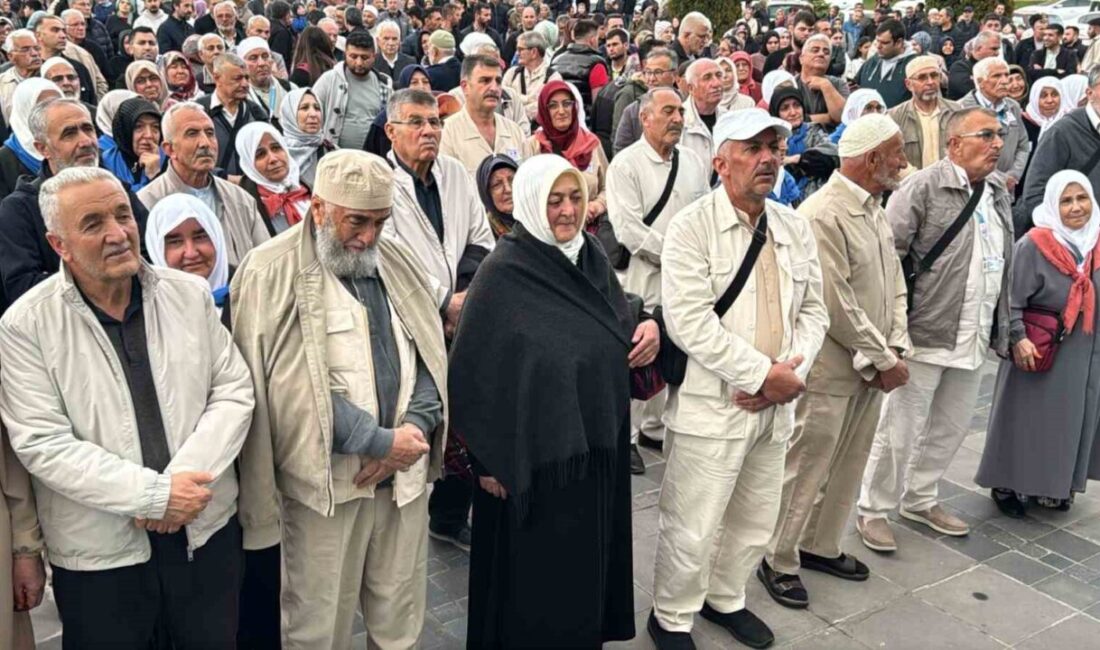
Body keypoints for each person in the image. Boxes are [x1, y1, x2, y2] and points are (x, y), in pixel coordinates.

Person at [0, 166, 254, 647]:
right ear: (60, 245)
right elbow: (42, 442)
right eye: (93, 224)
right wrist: (153, 496)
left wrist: (184, 484)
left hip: (203, 533)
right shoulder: (26, 326)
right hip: (101, 558)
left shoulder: (187, 295)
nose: (118, 233)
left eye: (123, 215)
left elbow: (233, 390)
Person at [232, 149, 447, 649]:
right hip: (325, 489)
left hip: (403, 479)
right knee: (318, 625)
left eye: (379, 222)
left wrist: (411, 429)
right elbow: (279, 389)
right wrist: (374, 441)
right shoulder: (269, 271)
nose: (368, 237)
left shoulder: (394, 259)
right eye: (356, 221)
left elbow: (431, 349)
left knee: (399, 617)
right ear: (320, 208)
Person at [450, 153, 648, 648]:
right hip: (530, 467)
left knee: (582, 580)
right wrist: (485, 461)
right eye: (555, 200)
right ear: (532, 203)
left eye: (576, 198)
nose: (566, 211)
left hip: (593, 451)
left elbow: (614, 323)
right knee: (536, 593)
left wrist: (645, 326)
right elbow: (473, 374)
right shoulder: (503, 272)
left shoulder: (590, 257)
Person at [651, 107, 828, 650]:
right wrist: (759, 374)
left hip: (775, 404)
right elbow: (687, 321)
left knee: (755, 515)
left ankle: (725, 598)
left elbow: (815, 310)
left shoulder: (793, 224)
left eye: (774, 146)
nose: (768, 158)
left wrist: (787, 373)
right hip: (717, 402)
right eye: (753, 149)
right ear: (721, 162)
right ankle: (672, 616)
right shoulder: (690, 227)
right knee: (694, 521)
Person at [758, 114, 910, 610]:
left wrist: (896, 343)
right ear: (871, 160)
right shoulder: (823, 212)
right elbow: (836, 303)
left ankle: (819, 545)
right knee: (807, 465)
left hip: (872, 363)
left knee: (848, 462)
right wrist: (884, 355)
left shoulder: (874, 208)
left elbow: (895, 280)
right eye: (896, 154)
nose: (903, 163)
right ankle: (777, 557)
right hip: (832, 367)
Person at [857, 107, 1014, 552]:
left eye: (999, 135)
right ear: (954, 144)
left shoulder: (997, 191)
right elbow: (887, 255)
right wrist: (890, 330)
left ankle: (921, 497)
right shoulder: (923, 186)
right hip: (925, 330)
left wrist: (1005, 326)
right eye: (985, 135)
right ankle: (874, 507)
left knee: (951, 427)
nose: (997, 143)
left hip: (973, 332)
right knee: (900, 429)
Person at [382, 88, 492, 550]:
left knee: (465, 414)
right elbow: (386, 257)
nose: (429, 130)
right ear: (391, 131)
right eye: (416, 122)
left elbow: (480, 239)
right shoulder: (380, 181)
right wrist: (443, 300)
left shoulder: (456, 175)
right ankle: (397, 520)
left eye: (435, 122)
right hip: (407, 322)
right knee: (414, 416)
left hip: (462, 317)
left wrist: (465, 296)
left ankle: (447, 516)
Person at [976, 170, 1100, 516]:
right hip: (1038, 346)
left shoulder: (1097, 243)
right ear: (1051, 205)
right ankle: (1007, 482)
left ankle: (1055, 485)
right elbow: (1010, 296)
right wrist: (1016, 336)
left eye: (1082, 198)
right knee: (1024, 418)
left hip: (1083, 352)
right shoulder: (1035, 244)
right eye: (1066, 200)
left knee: (1069, 421)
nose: (1076, 208)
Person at [606, 87, 709, 473]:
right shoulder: (626, 165)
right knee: (638, 352)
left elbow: (702, 214)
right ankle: (627, 437)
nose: (678, 119)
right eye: (669, 111)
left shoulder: (694, 162)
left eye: (681, 111)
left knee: (675, 346)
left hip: (683, 276)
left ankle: (653, 427)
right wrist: (677, 253)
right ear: (645, 117)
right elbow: (627, 227)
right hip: (642, 275)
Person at [138, 102, 269, 264]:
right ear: (170, 149)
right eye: (192, 134)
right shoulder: (146, 203)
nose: (205, 143)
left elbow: (267, 261)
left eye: (210, 133)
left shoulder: (240, 199)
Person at [1021, 68, 1100, 233]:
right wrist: (1067, 235)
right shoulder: (1063, 132)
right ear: (1089, 93)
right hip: (1076, 238)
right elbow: (1035, 192)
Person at [526, 80, 608, 218]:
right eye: (553, 106)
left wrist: (597, 205)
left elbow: (609, 187)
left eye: (566, 104)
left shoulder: (592, 143)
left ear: (574, 106)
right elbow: (526, 194)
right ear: (544, 111)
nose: (561, 111)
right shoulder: (533, 146)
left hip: (590, 230)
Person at [439, 53, 526, 178]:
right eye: (485, 81)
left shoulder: (515, 131)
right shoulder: (447, 133)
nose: (494, 88)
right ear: (465, 87)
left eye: (498, 81)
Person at [312, 29, 393, 150]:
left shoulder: (384, 84)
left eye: (365, 57)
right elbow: (312, 114)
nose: (359, 63)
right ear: (345, 54)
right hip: (335, 157)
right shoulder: (329, 80)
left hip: (372, 159)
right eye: (353, 56)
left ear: (374, 56)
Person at [959, 58, 1029, 195]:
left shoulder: (1013, 107)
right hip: (973, 189)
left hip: (1007, 189)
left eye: (1006, 75)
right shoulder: (961, 109)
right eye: (997, 76)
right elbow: (961, 154)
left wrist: (1014, 175)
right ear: (980, 82)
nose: (1004, 81)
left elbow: (1023, 145)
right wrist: (996, 179)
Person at [194, 52, 268, 176]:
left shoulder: (257, 113)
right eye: (237, 78)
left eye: (247, 78)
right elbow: (188, 157)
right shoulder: (198, 111)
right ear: (217, 78)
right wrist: (224, 178)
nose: (245, 84)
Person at [236, 121, 312, 236]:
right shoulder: (246, 208)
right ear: (249, 165)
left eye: (276, 148)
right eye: (260, 154)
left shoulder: (306, 189)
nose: (273, 159)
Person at [889, 55, 959, 170]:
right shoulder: (895, 116)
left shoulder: (956, 111)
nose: (930, 82)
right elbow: (891, 157)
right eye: (922, 78)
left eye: (934, 75)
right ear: (908, 84)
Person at [770, 85, 837, 204]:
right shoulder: (771, 139)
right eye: (785, 108)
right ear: (776, 113)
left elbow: (831, 158)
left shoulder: (814, 131)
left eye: (797, 105)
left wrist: (796, 159)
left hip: (817, 200)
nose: (793, 112)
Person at [612, 46, 678, 157]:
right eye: (648, 72)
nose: (651, 78)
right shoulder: (633, 111)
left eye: (658, 72)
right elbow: (620, 151)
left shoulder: (687, 105)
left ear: (674, 75)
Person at [0, 78, 59, 196]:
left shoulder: (78, 145)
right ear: (24, 110)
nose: (52, 112)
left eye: (58, 104)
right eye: (42, 107)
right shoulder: (4, 160)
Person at [102, 96, 164, 192]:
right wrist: (151, 179)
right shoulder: (106, 163)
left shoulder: (170, 160)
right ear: (125, 130)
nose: (149, 135)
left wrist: (158, 173)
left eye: (155, 127)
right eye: (138, 127)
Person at [679, 57, 724, 180]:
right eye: (707, 77)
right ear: (691, 88)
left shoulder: (729, 119)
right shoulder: (677, 121)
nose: (716, 83)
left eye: (719, 75)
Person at [1020, 78, 1064, 201]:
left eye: (1055, 95)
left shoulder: (1067, 124)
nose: (1050, 100)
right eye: (1043, 96)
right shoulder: (1022, 124)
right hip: (1024, 192)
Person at [278, 87, 332, 187]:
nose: (313, 114)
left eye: (317, 108)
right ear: (290, 114)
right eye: (304, 108)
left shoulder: (331, 152)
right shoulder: (276, 154)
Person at [503, 30, 559, 125]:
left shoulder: (553, 77)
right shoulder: (512, 73)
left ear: (534, 52)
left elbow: (544, 109)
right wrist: (530, 100)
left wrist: (516, 103)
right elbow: (502, 101)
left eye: (520, 49)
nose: (517, 53)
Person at [856, 20, 914, 108]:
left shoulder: (914, 65)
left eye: (884, 43)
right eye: (877, 41)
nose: (878, 46)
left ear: (899, 42)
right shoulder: (871, 62)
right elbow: (855, 87)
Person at [795, 33, 848, 127]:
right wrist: (829, 118)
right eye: (815, 50)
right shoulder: (791, 84)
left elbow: (843, 117)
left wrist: (826, 86)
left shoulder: (839, 84)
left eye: (826, 52)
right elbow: (789, 121)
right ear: (801, 59)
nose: (821, 54)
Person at [238, 37, 290, 117]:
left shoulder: (288, 89)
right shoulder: (238, 96)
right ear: (242, 64)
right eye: (253, 58)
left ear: (272, 61)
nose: (261, 63)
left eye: (265, 56)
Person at [0, 29, 41, 123]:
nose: (34, 54)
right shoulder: (1, 83)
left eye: (37, 48)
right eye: (25, 49)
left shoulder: (51, 76)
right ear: (11, 56)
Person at [947, 30, 1000, 101]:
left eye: (998, 49)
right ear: (979, 49)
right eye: (994, 49)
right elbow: (971, 92)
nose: (997, 53)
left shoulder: (998, 69)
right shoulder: (960, 67)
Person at [475, 153, 517, 238]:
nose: (508, 189)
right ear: (487, 195)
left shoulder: (540, 221)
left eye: (512, 180)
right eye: (497, 184)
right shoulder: (483, 235)